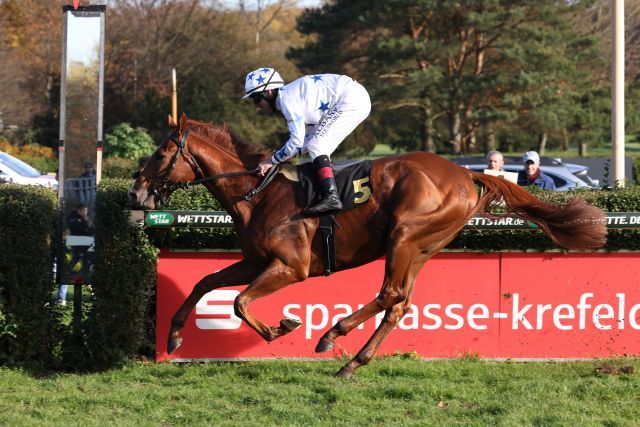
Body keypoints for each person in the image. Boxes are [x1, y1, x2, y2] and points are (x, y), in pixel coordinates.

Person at [244, 67, 371, 215]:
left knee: (317, 145)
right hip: (350, 97)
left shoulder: (288, 100)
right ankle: (330, 191)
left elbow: (296, 142)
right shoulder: (293, 97)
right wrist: (277, 158)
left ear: (269, 92)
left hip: (351, 99)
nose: (256, 105)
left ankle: (331, 197)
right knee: (315, 145)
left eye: (256, 98)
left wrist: (271, 161)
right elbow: (303, 143)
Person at [56, 203, 95, 305]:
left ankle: (80, 273)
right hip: (77, 241)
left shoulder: (84, 218)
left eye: (86, 211)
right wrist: (85, 222)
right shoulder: (73, 218)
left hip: (84, 242)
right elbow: (76, 228)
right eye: (84, 211)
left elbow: (90, 228)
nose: (86, 212)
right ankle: (70, 273)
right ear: (79, 210)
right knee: (77, 259)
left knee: (83, 260)